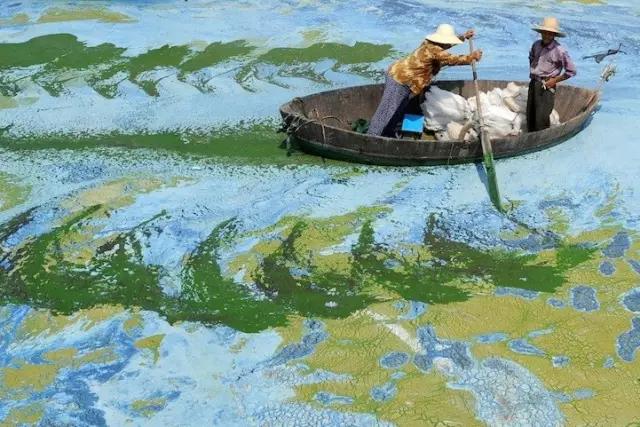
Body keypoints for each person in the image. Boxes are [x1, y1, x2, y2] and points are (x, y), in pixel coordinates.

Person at [368, 24, 482, 137]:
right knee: (386, 111)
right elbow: (452, 59)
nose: (448, 44)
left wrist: (463, 37)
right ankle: (372, 136)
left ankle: (388, 133)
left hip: (408, 81)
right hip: (399, 79)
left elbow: (447, 48)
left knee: (398, 110)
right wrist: (471, 57)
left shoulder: (430, 43)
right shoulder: (434, 50)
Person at [527, 17, 577, 132]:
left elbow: (571, 71)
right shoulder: (536, 45)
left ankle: (542, 139)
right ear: (541, 33)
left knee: (541, 118)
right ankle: (531, 137)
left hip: (547, 85)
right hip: (534, 83)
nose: (547, 35)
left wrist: (553, 81)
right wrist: (535, 74)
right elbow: (531, 58)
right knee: (531, 115)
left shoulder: (559, 50)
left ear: (554, 35)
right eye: (545, 32)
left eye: (550, 33)